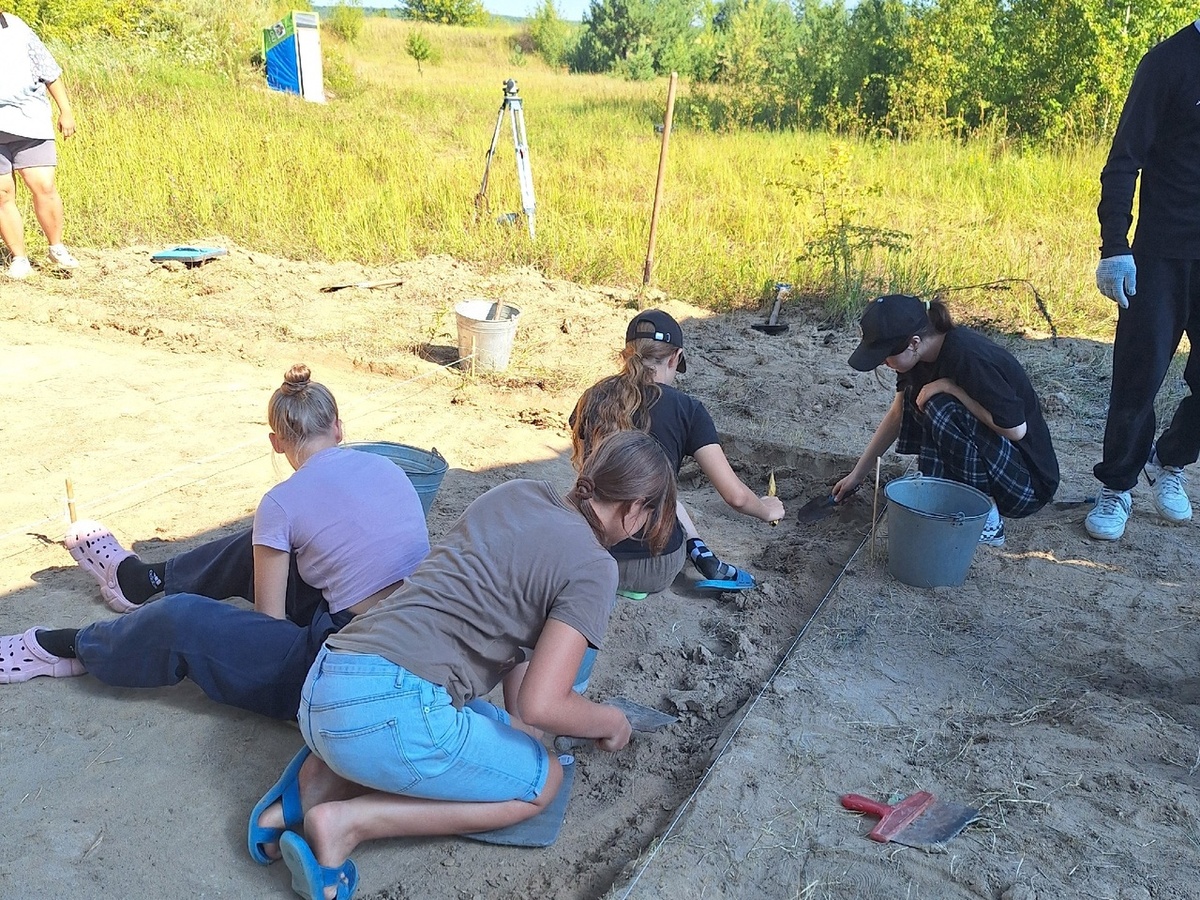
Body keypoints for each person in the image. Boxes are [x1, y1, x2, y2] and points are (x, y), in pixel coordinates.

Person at [247, 430, 676, 900]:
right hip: (388, 706)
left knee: (488, 721)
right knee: (544, 781)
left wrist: (526, 731)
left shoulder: (518, 492)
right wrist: (611, 722)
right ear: (636, 509)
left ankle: (293, 804)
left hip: (330, 679)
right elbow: (540, 703)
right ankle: (347, 825)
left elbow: (518, 696)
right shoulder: (596, 566)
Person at [0, 365, 431, 721]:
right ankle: (141, 581)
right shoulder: (387, 466)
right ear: (338, 428)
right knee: (268, 545)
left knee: (182, 619)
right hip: (415, 628)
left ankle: (68, 647)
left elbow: (269, 626)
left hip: (350, 665)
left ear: (276, 444)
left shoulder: (281, 501)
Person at [571, 309, 784, 597]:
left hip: (585, 554)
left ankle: (701, 554)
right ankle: (702, 555)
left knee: (642, 488)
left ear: (626, 356)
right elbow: (735, 496)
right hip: (650, 566)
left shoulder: (593, 397)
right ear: (675, 357)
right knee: (661, 493)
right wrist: (766, 508)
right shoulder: (687, 409)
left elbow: (586, 474)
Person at [1086, 17, 1200, 541]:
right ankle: (1118, 486)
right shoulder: (1167, 63)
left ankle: (1169, 461)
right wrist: (1116, 247)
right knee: (1139, 378)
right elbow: (1123, 160)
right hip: (1159, 256)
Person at [833, 294, 1060, 546]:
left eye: (886, 355)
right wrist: (858, 474)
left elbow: (1016, 430)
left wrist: (953, 388)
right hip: (995, 467)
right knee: (919, 397)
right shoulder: (916, 360)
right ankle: (942, 493)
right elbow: (898, 415)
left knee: (940, 406)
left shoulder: (969, 357)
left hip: (1025, 485)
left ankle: (986, 519)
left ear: (914, 343)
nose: (883, 362)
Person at [0, 10, 78, 279]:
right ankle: (19, 258)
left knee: (43, 185)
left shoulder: (18, 28)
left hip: (29, 119)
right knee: (1, 194)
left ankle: (56, 247)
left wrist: (65, 110)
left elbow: (49, 72)